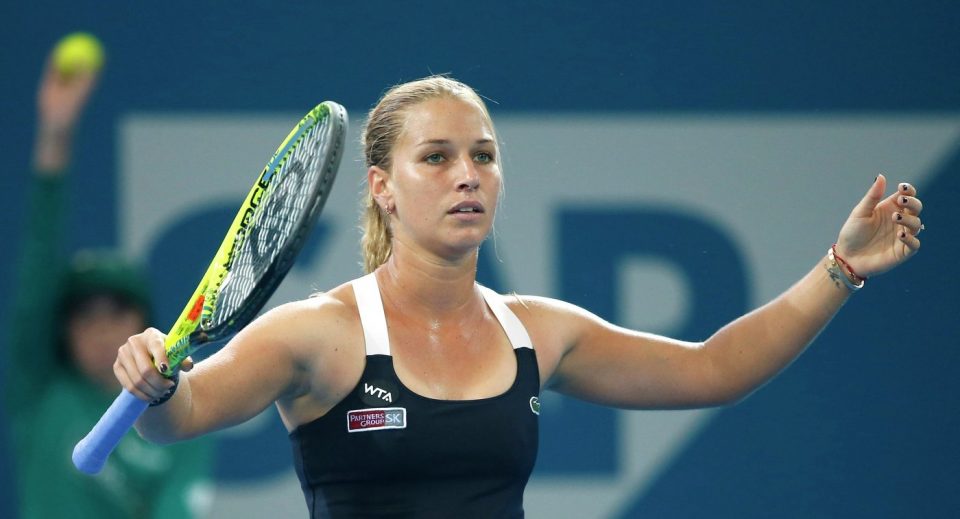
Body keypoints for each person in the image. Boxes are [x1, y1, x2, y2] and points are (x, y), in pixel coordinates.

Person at [114, 76, 924, 518]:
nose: (467, 175)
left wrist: (840, 268)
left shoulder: (537, 330)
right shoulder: (317, 333)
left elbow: (715, 368)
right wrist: (156, 378)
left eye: (484, 155)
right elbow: (180, 413)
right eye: (436, 157)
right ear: (383, 187)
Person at [3, 44, 212, 518]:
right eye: (85, 318)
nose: (101, 331)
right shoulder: (40, 390)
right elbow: (38, 261)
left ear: (142, 324)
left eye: (116, 314)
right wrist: (55, 134)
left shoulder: (176, 410)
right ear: (64, 333)